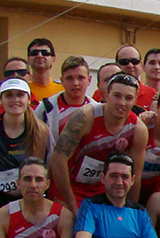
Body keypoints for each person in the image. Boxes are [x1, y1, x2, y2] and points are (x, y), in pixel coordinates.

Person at [50, 72, 148, 213]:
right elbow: (58, 160)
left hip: (103, 190)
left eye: (128, 98)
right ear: (106, 95)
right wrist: (71, 205)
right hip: (69, 186)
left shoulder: (138, 130)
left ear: (135, 100)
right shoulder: (85, 117)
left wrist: (129, 211)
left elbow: (135, 176)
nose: (122, 103)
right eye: (117, 96)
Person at [0, 79, 49, 221]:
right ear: (1, 101)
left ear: (29, 99)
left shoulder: (39, 129)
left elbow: (36, 175)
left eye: (20, 95)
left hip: (27, 195)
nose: (15, 100)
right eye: (9, 95)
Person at [34, 55, 92, 153]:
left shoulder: (96, 110)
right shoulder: (45, 108)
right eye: (69, 78)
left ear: (89, 80)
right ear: (62, 81)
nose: (75, 83)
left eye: (80, 78)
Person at [114, 45, 159, 110]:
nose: (130, 65)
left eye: (135, 61)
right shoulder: (104, 92)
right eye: (124, 62)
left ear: (141, 64)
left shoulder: (152, 95)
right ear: (117, 65)